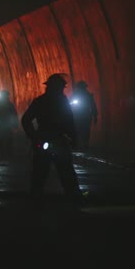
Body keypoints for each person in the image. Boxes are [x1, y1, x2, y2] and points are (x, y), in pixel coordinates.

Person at [21, 74, 83, 203]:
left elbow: (26, 120)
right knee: (59, 170)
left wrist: (33, 136)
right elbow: (69, 121)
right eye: (59, 87)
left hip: (50, 139)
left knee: (45, 170)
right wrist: (34, 136)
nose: (60, 90)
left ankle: (37, 197)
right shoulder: (51, 101)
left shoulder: (43, 101)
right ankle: (73, 197)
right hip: (52, 139)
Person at [70, 81, 98, 150]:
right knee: (78, 129)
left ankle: (85, 144)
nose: (81, 89)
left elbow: (93, 105)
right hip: (79, 114)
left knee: (85, 130)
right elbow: (70, 103)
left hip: (85, 115)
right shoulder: (75, 94)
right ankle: (77, 144)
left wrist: (95, 115)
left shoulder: (88, 95)